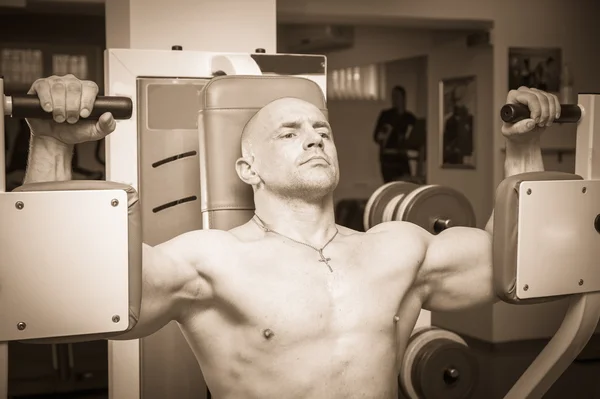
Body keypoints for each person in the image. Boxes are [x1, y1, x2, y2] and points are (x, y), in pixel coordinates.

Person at [22, 75, 559, 399]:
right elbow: (67, 298)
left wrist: (523, 149)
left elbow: (515, 267)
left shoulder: (398, 248)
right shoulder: (211, 261)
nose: (314, 139)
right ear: (247, 168)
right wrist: (51, 144)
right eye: (290, 132)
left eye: (321, 130)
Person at [372, 86, 417, 182]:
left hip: (402, 158)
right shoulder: (386, 115)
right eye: (393, 96)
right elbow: (376, 137)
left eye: (397, 96)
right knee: (391, 187)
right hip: (388, 158)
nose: (394, 99)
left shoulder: (409, 118)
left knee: (406, 185)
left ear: (404, 98)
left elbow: (417, 136)